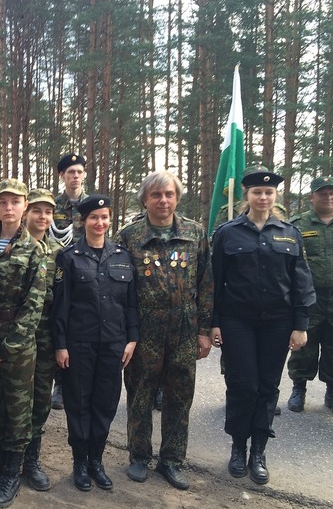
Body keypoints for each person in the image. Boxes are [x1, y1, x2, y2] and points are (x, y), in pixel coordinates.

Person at [211, 167, 315, 484]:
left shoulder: (289, 233)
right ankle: (238, 447)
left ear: (275, 196)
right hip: (237, 321)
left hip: (278, 322)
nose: (263, 197)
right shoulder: (228, 232)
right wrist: (213, 323)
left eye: (269, 192)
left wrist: (300, 324)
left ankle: (258, 450)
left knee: (267, 387)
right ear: (248, 195)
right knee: (242, 385)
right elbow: (215, 281)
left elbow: (301, 281)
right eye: (257, 192)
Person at [114, 171, 212, 491]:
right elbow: (119, 290)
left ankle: (172, 460)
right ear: (145, 199)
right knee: (140, 394)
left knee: (179, 396)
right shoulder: (128, 236)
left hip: (184, 330)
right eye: (156, 195)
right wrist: (124, 333)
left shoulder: (195, 233)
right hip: (144, 331)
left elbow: (206, 284)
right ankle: (139, 456)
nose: (163, 200)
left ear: (177, 198)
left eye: (169, 194)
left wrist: (204, 331)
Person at [53, 195, 139, 491]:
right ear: (83, 221)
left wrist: (132, 338)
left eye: (104, 217)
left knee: (105, 404)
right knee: (78, 404)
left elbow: (131, 304)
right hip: (79, 344)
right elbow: (61, 305)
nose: (100, 222)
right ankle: (80, 462)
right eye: (94, 217)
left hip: (113, 344)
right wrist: (60, 345)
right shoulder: (69, 257)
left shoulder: (122, 256)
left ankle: (96, 461)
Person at [0, 180, 46, 507]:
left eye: (15, 202)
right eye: (2, 202)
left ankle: (12, 473)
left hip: (17, 344)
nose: (8, 208)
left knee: (18, 410)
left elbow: (34, 304)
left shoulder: (34, 249)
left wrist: (6, 348)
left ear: (24, 206)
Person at [286, 176, 333, 416]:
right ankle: (298, 388)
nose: (328, 197)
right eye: (322, 193)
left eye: (332, 193)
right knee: (303, 345)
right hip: (309, 299)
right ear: (312, 197)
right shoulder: (298, 225)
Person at [19, 188, 62, 491]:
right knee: (11, 401)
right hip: (14, 336)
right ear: (26, 212)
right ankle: (7, 462)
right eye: (37, 210)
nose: (43, 217)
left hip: (45, 336)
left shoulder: (60, 252)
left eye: (48, 212)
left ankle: (31, 461)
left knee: (40, 400)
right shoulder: (9, 245)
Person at [50, 153, 89, 410]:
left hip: (85, 273)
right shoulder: (53, 205)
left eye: (79, 171)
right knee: (59, 324)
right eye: (70, 172)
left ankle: (79, 382)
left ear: (84, 175)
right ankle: (60, 384)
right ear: (62, 176)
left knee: (81, 326)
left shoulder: (92, 205)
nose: (75, 176)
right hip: (59, 273)